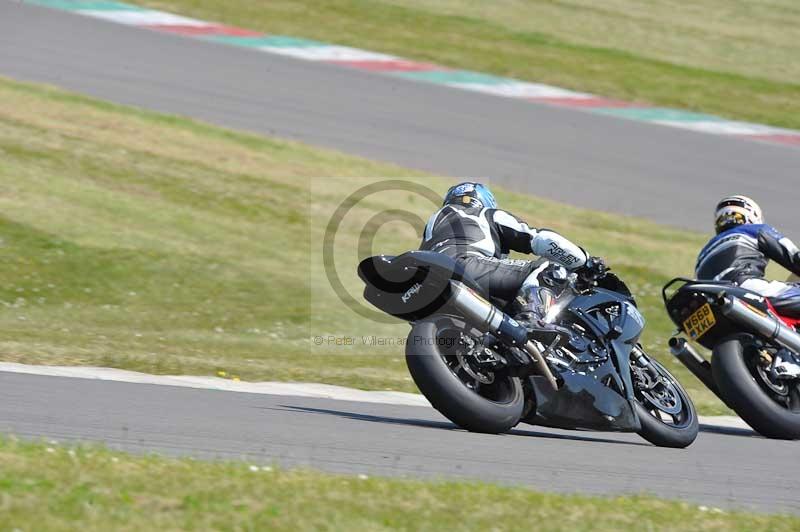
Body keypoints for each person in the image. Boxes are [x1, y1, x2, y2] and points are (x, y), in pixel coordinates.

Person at [420, 181, 604, 326]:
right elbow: (540, 239)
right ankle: (534, 319)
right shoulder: (483, 213)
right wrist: (584, 262)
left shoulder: (433, 226)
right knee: (549, 267)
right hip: (467, 267)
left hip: (428, 287)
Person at [695, 195, 800, 316]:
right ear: (753, 215)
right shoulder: (755, 230)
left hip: (710, 305)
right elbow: (795, 257)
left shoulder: (704, 252)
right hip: (744, 288)